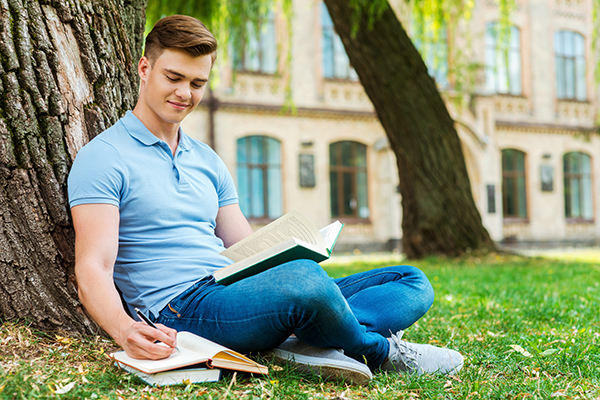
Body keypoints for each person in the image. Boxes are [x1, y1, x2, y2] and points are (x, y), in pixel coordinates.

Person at [68, 15, 463, 384]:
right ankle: (375, 351)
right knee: (306, 284)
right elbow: (93, 267)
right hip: (179, 308)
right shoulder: (104, 157)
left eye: (197, 83)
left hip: (230, 288)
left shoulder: (206, 159)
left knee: (409, 280)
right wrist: (125, 329)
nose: (184, 93)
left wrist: (294, 251)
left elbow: (244, 248)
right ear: (144, 68)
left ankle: (307, 338)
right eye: (174, 77)